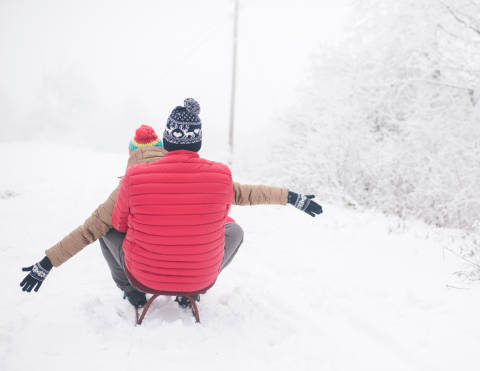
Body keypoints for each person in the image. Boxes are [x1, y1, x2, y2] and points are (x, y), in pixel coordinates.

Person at [20, 98, 323, 308]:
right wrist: (292, 197)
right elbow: (251, 194)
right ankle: (189, 292)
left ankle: (132, 294)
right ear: (199, 142)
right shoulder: (219, 176)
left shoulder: (135, 178)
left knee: (106, 228)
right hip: (200, 279)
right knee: (235, 231)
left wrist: (47, 263)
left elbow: (89, 230)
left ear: (165, 142)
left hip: (143, 276)